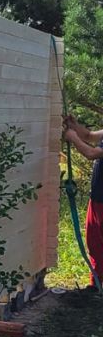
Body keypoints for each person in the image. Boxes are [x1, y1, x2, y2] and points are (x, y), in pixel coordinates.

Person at [63, 115, 103, 286]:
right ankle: (97, 284)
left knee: (99, 244)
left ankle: (98, 285)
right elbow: (90, 136)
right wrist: (75, 126)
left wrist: (72, 137)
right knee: (94, 243)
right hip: (97, 198)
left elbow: (91, 153)